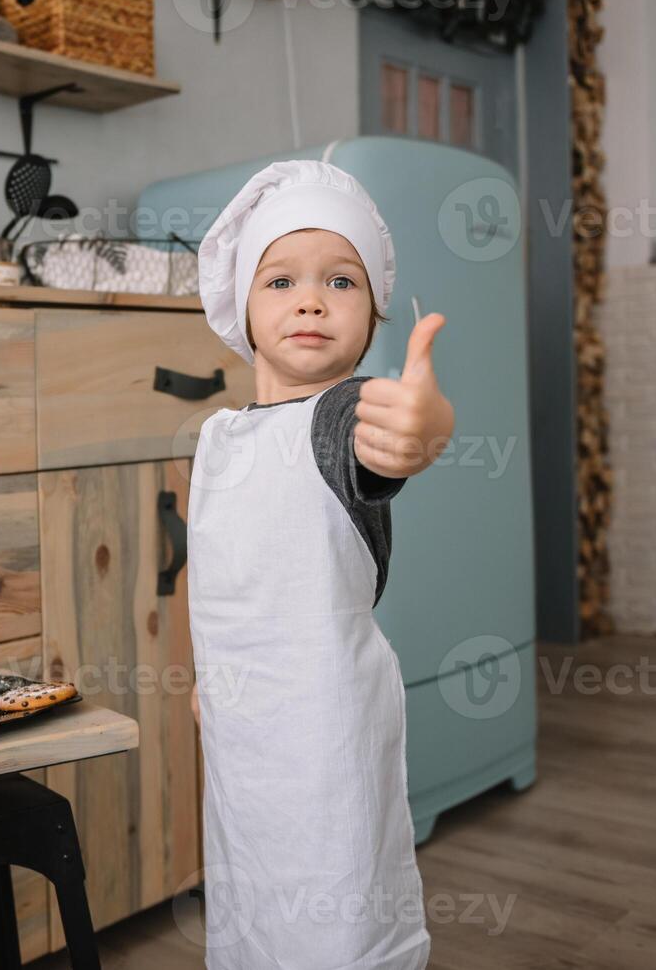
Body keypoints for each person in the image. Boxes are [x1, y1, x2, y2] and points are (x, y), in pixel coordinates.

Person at [186, 159, 453, 969]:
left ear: (372, 315)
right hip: (239, 731)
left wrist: (422, 427)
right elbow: (224, 586)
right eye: (281, 281)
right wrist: (206, 681)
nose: (309, 299)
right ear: (242, 305)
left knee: (338, 915)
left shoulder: (343, 416)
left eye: (340, 280)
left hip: (326, 734)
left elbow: (394, 443)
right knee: (251, 902)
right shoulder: (219, 437)